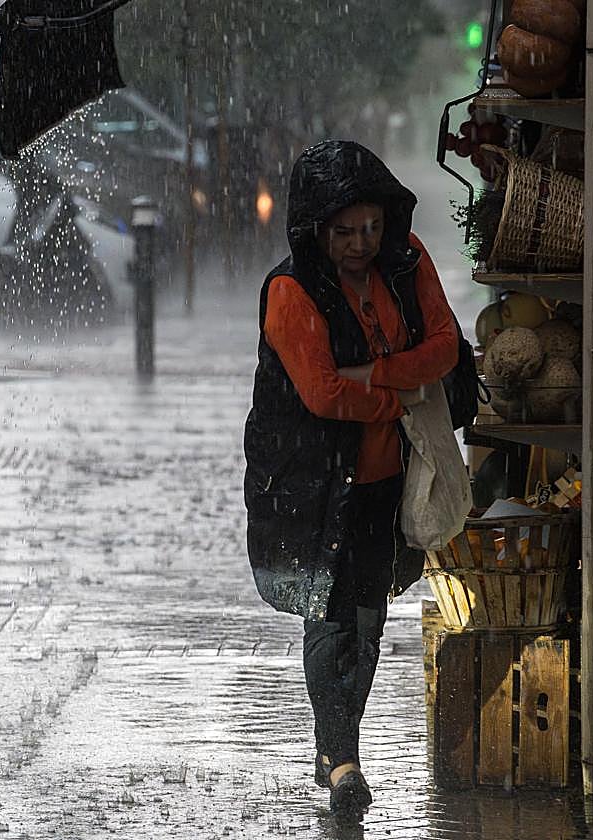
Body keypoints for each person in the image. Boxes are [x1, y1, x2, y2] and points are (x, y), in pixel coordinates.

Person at [243, 140, 460, 817]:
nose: (361, 244)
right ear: (315, 229)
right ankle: (344, 765)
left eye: (370, 227)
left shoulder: (408, 261)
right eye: (344, 232)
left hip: (384, 479)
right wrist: (396, 397)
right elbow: (322, 393)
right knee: (329, 618)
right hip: (309, 482)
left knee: (367, 622)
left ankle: (336, 746)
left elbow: (446, 347)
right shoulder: (290, 290)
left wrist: (377, 374)